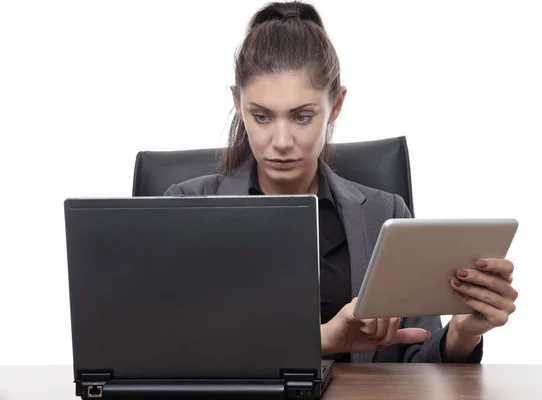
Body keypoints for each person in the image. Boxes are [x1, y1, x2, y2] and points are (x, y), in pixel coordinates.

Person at [165, 0, 518, 363]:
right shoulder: (184, 207)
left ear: (335, 105)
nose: (282, 141)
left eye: (302, 117)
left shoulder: (384, 213)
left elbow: (417, 362)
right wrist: (319, 341)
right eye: (262, 116)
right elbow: (164, 348)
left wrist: (461, 334)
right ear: (238, 104)